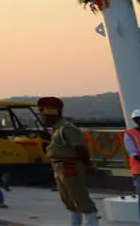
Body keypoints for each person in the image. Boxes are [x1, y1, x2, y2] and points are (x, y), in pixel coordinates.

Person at [40, 96, 100, 226]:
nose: (43, 119)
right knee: (69, 199)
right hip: (59, 166)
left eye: (44, 116)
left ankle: (92, 222)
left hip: (70, 166)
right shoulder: (57, 130)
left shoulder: (66, 128)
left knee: (80, 197)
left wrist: (88, 165)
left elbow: (80, 148)